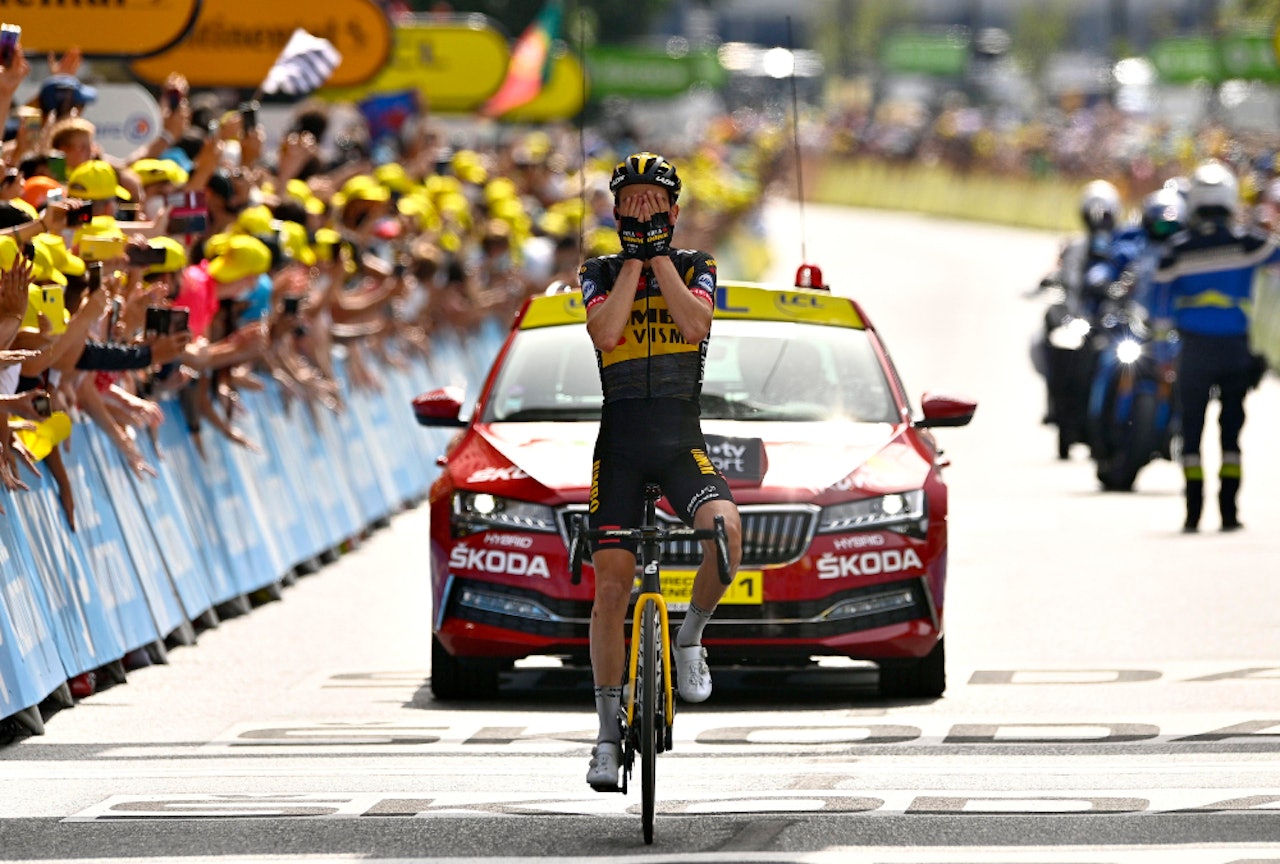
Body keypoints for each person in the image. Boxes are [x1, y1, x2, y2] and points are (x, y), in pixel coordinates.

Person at [578, 151, 743, 791]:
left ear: (674, 212)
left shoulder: (698, 267)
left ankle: (691, 638)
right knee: (612, 589)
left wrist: (661, 259)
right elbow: (607, 333)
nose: (641, 209)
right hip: (619, 445)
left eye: (654, 201)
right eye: (631, 201)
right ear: (615, 210)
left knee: (727, 535)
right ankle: (605, 734)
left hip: (679, 441)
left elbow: (694, 322)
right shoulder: (597, 271)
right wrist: (635, 262)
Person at [1151, 160, 1276, 533]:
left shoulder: (1176, 250)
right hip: (1236, 352)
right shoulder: (1248, 244)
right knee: (1231, 434)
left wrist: (1161, 355)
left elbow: (1158, 308)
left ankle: (1192, 513)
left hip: (1193, 353)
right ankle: (1229, 511)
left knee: (1191, 432)